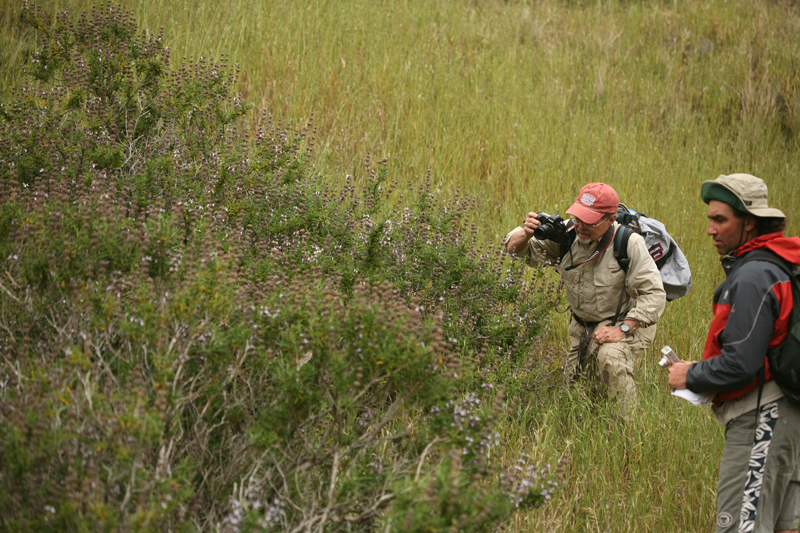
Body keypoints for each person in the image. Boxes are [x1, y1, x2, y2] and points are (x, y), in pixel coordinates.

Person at [668, 173, 800, 533]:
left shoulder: (755, 276)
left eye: (720, 219)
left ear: (750, 222)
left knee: (740, 526)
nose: (711, 229)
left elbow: (742, 363)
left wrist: (689, 375)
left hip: (761, 419)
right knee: (780, 526)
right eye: (710, 218)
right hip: (787, 419)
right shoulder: (784, 265)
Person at [504, 182, 666, 417]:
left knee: (609, 360)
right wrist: (526, 233)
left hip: (623, 321)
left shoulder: (628, 243)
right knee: (577, 392)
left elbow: (655, 294)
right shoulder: (567, 234)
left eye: (590, 221)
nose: (581, 225)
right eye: (578, 217)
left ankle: (629, 433)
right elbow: (514, 250)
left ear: (611, 219)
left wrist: (622, 329)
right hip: (582, 326)